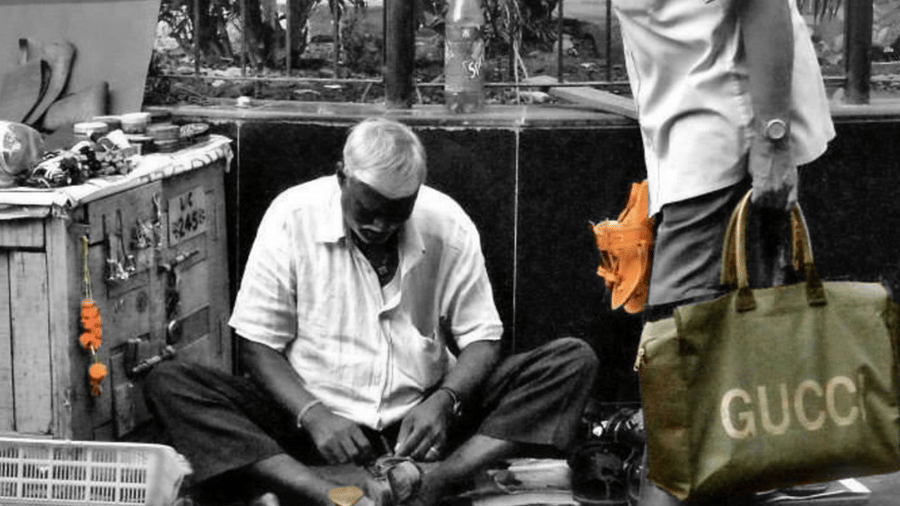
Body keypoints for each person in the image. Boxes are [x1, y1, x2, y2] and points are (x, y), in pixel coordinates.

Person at [145, 117, 599, 506]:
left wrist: (445, 400)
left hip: (424, 425)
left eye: (396, 214)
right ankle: (323, 490)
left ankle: (435, 482)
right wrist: (314, 415)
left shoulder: (447, 222)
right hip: (313, 423)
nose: (380, 226)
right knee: (171, 382)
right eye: (368, 211)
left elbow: (482, 338)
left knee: (571, 361)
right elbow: (257, 345)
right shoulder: (292, 215)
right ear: (342, 177)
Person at [609, 0, 835, 505]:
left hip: (726, 139)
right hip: (693, 133)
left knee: (675, 359)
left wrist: (773, 140)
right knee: (713, 371)